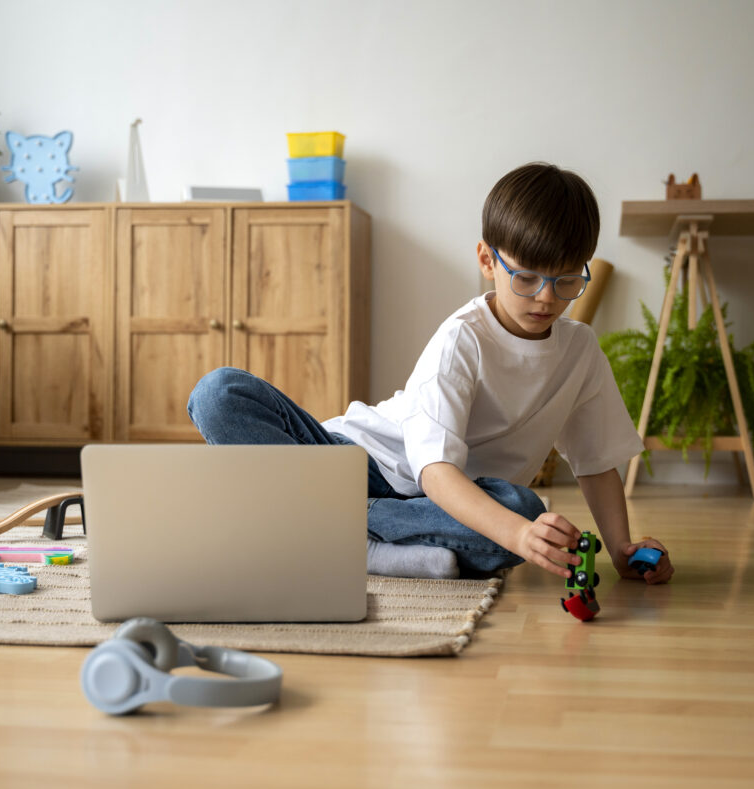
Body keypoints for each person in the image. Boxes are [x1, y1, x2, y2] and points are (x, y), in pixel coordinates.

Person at [188, 162, 673, 584]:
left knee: (525, 512)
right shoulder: (463, 337)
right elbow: (436, 471)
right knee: (218, 394)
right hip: (358, 464)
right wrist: (520, 536)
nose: (546, 298)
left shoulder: (580, 351)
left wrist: (621, 551)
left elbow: (596, 462)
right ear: (488, 260)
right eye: (526, 278)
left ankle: (329, 534)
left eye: (567, 280)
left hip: (444, 506)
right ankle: (360, 540)